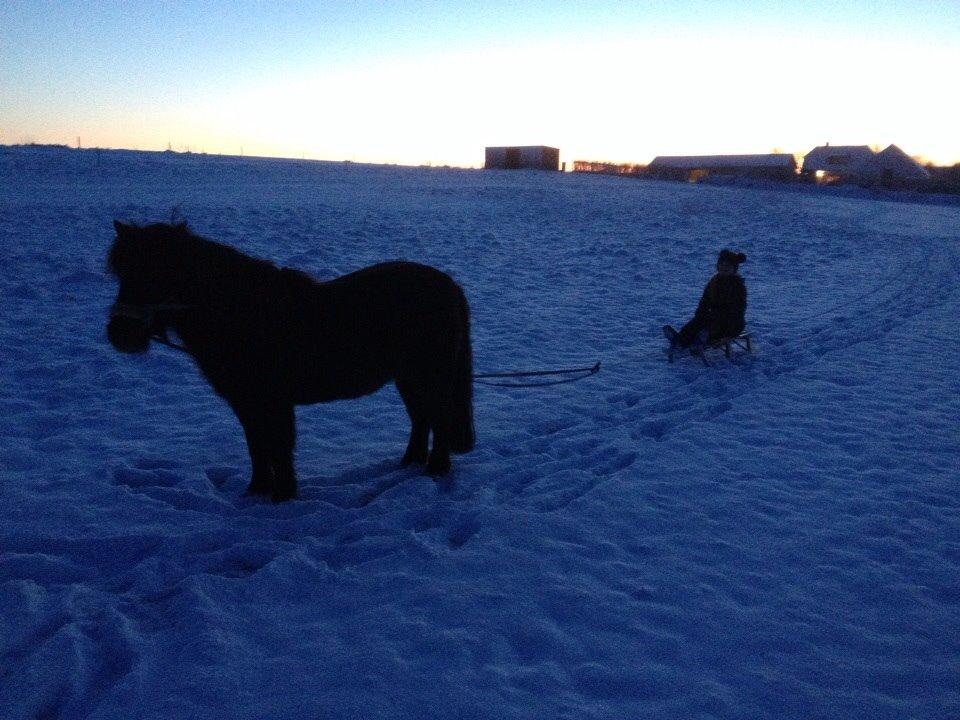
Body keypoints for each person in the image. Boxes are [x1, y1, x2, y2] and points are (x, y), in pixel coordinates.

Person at [663, 249, 747, 354]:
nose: (724, 268)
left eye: (728, 267)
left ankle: (702, 339)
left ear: (733, 269)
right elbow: (705, 301)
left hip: (732, 322)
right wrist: (700, 314)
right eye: (721, 265)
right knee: (697, 322)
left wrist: (721, 319)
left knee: (711, 325)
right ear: (717, 266)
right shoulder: (714, 282)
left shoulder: (737, 285)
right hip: (714, 317)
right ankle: (680, 339)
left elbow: (737, 309)